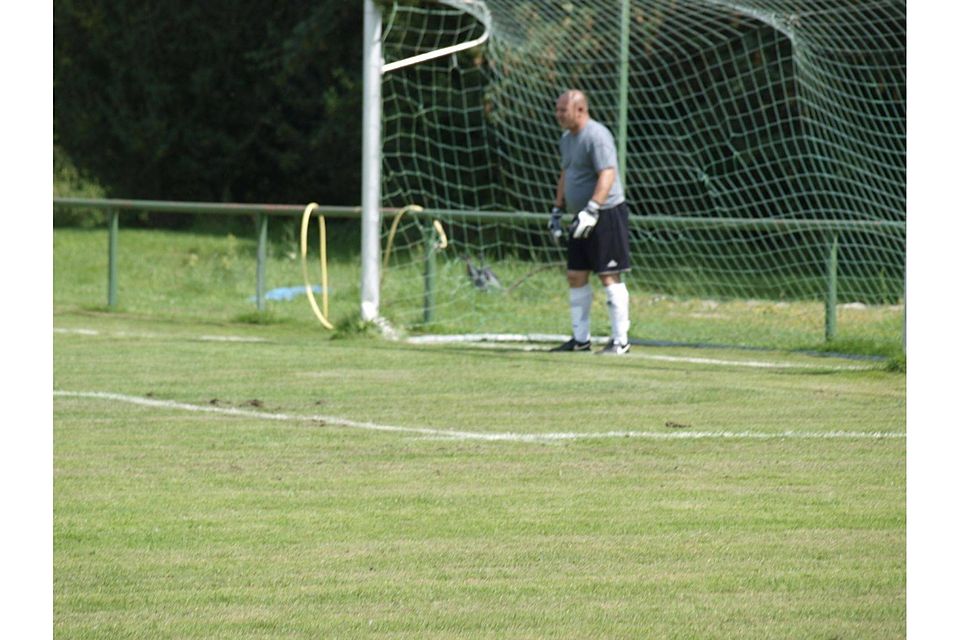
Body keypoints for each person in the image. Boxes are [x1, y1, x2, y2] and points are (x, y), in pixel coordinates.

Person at [548, 89, 632, 355]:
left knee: (608, 275)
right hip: (580, 216)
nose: (558, 114)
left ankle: (621, 342)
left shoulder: (597, 136)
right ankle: (580, 340)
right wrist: (557, 209)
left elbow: (607, 173)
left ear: (580, 110)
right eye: (558, 109)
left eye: (563, 110)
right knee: (575, 275)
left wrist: (593, 208)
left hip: (604, 213)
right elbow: (567, 172)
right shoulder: (566, 139)